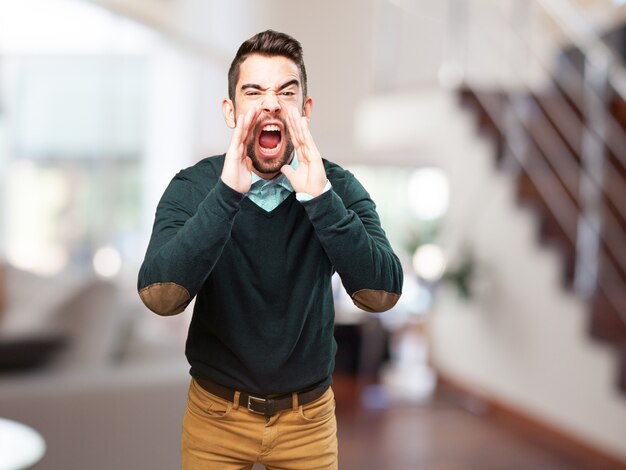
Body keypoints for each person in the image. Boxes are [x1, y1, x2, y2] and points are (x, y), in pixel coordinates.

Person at [138, 29, 403, 470]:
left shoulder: (336, 187)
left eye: (286, 91)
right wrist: (226, 195)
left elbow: (382, 295)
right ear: (231, 110)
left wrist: (320, 200)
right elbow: (159, 297)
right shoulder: (192, 186)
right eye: (253, 91)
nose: (271, 104)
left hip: (309, 422)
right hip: (215, 419)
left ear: (305, 109)